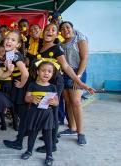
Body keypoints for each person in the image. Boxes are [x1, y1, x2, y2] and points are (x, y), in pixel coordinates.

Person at [32, 23, 94, 153]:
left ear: (56, 35)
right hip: (52, 82)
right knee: (58, 106)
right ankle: (61, 132)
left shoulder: (59, 47)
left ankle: (73, 135)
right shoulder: (43, 46)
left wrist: (80, 82)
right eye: (47, 30)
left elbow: (66, 66)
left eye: (53, 30)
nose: (50, 31)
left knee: (61, 108)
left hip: (63, 79)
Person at [21, 61, 59, 166]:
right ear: (38, 72)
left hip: (47, 114)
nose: (46, 73)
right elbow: (26, 98)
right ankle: (29, 151)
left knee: (48, 135)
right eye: (43, 70)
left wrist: (53, 102)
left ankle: (49, 155)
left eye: (49, 71)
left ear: (52, 74)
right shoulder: (32, 85)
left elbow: (56, 102)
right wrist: (31, 98)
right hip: (34, 113)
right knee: (32, 133)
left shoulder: (52, 87)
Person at [59, 21, 89, 145]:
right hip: (65, 73)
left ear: (72, 28)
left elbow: (85, 58)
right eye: (63, 28)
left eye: (68, 27)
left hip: (77, 72)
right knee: (68, 101)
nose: (65, 30)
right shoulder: (61, 44)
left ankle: (81, 133)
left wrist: (79, 77)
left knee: (76, 102)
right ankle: (72, 127)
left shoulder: (79, 39)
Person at [2, 31, 29, 149]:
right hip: (17, 84)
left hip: (20, 86)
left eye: (13, 40)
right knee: (20, 113)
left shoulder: (16, 55)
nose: (8, 41)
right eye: (7, 38)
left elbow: (25, 73)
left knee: (22, 114)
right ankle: (25, 132)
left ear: (18, 45)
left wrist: (21, 85)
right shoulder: (10, 53)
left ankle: (19, 142)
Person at [0, 44, 11, 130]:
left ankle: (15, 123)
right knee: (0, 104)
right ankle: (3, 123)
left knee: (8, 104)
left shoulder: (9, 60)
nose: (1, 53)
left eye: (3, 51)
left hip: (8, 84)